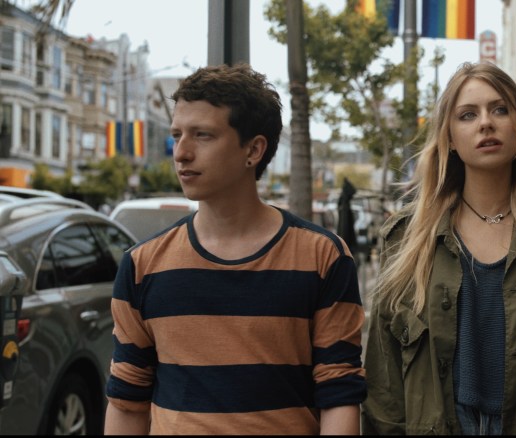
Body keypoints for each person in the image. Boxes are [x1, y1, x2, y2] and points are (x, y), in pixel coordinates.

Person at [104, 64, 366, 435]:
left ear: (253, 149)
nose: (181, 153)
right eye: (177, 135)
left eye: (203, 135)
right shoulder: (142, 265)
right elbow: (128, 403)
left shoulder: (323, 258)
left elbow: (339, 394)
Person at [362, 62, 516, 435]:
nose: (486, 123)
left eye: (500, 109)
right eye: (468, 115)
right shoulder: (408, 238)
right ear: (450, 139)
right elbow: (384, 381)